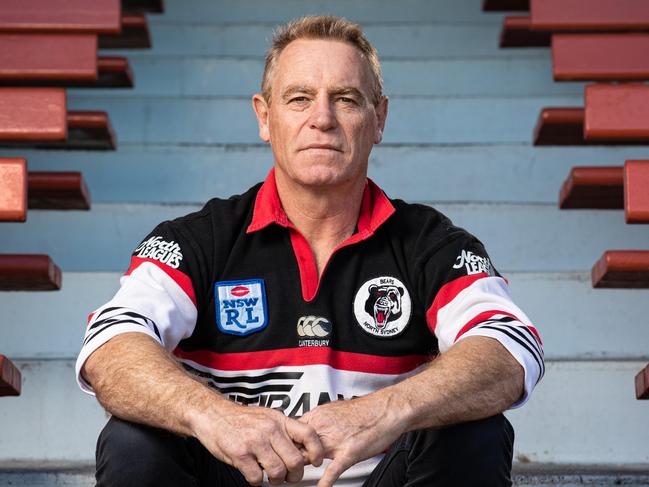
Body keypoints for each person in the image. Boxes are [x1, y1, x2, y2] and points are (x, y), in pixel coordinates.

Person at [76, 15, 544, 487]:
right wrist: (213, 415)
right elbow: (109, 345)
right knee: (133, 439)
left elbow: (509, 347)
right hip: (234, 479)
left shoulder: (431, 244)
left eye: (345, 99)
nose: (322, 118)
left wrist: (385, 409)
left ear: (378, 119)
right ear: (264, 116)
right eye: (299, 99)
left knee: (477, 429)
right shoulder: (199, 240)